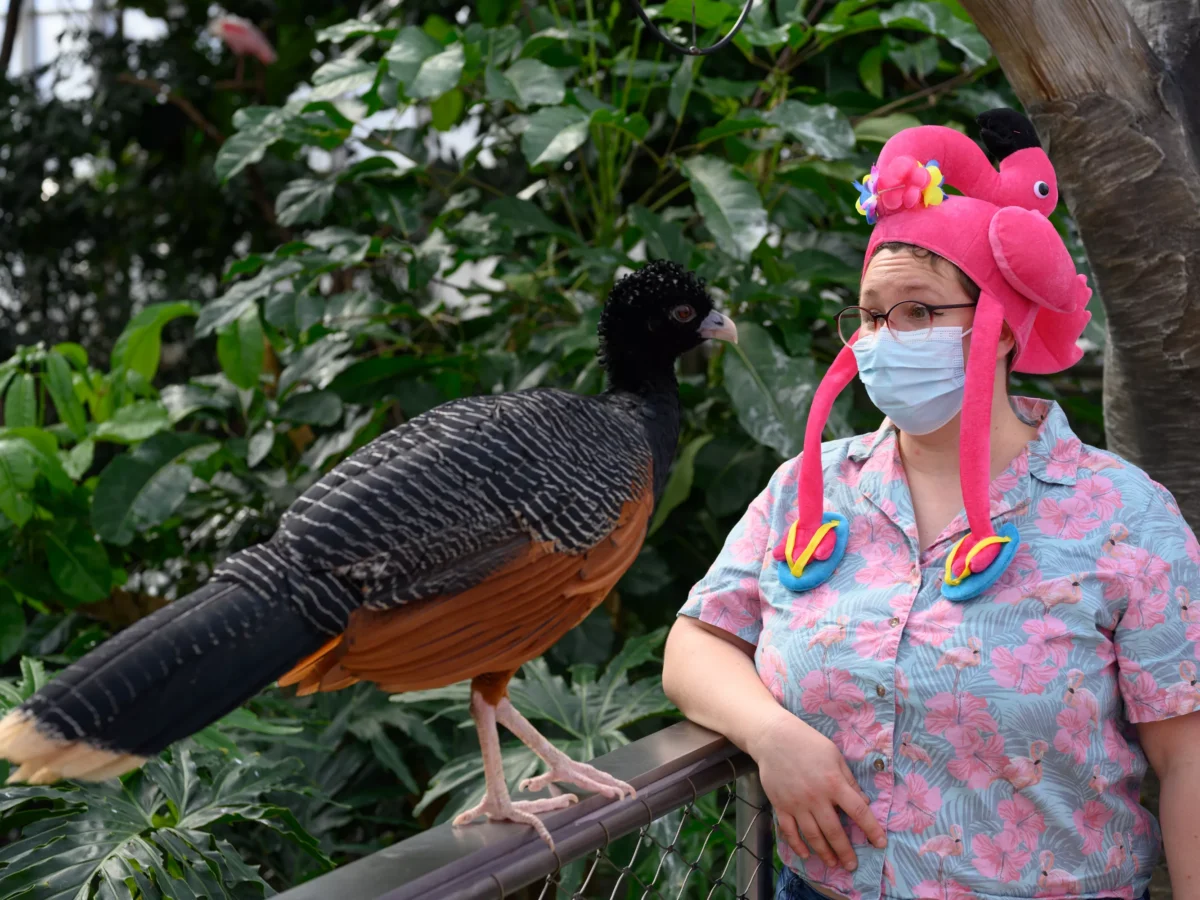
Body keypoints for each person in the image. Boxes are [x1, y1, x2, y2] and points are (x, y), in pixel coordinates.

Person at [662, 109, 1200, 900]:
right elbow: (696, 642)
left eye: (918, 310)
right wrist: (771, 734)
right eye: (872, 315)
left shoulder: (1125, 516)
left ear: (1004, 324)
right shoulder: (809, 489)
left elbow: (1186, 759)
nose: (885, 336)